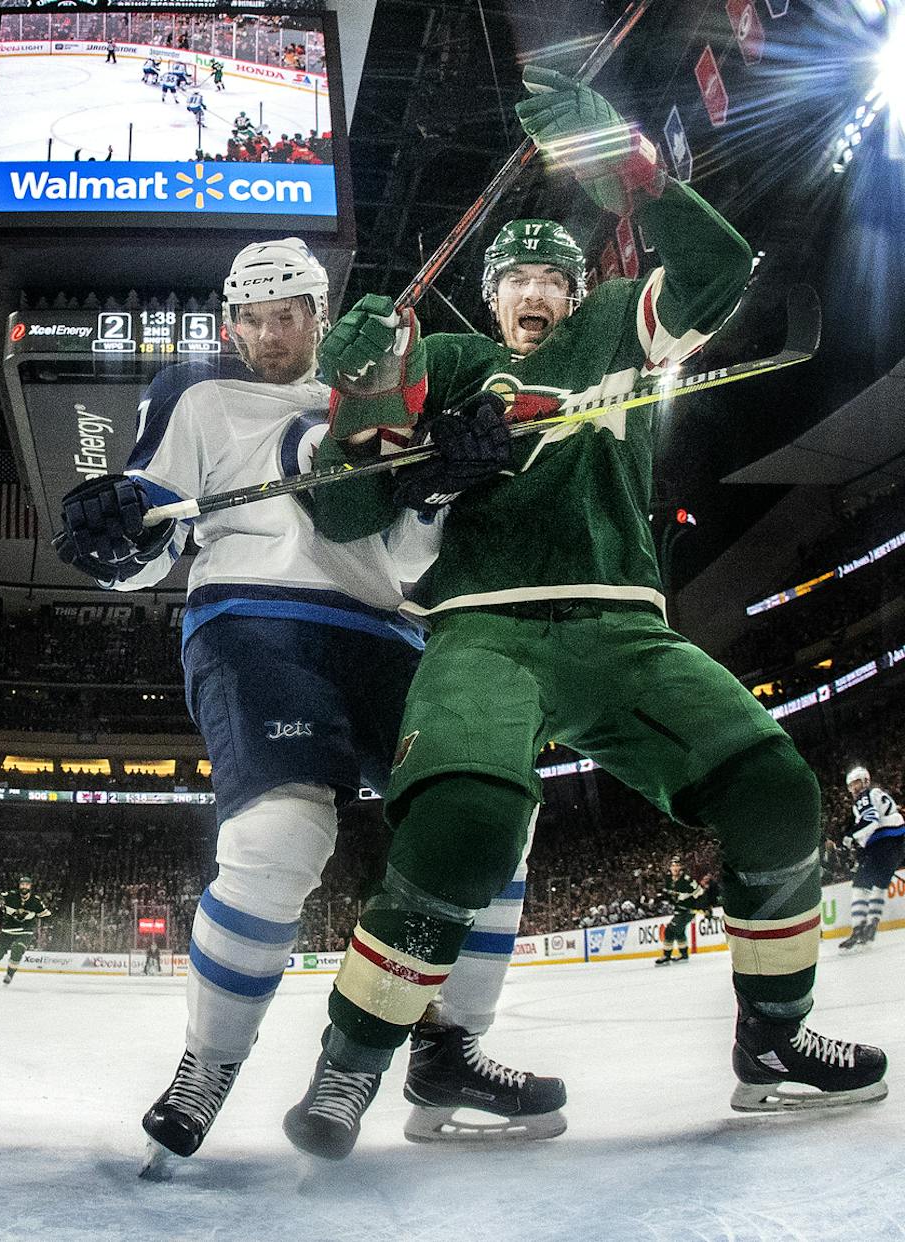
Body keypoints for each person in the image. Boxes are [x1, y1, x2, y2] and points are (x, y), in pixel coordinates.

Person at [286, 67, 886, 1160]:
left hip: (625, 629)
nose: (534, 290)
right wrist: (366, 391)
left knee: (772, 787)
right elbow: (347, 508)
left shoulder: (620, 328)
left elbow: (714, 271)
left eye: (549, 278)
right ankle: (350, 1070)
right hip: (483, 630)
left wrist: (631, 173)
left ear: (574, 291)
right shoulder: (450, 359)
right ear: (488, 291)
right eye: (514, 276)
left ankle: (776, 1037)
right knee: (464, 825)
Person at [53, 239, 557, 1166]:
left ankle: (448, 1048)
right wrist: (117, 532)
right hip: (256, 623)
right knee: (281, 838)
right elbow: (155, 528)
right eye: (251, 318)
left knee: (490, 817)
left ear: (321, 317)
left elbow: (415, 541)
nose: (268, 335)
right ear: (229, 323)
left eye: (288, 316)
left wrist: (447, 474)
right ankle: (207, 1065)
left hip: (393, 631)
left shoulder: (387, 386)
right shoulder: (197, 394)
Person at [843, 765, 904, 951]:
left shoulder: (865, 796)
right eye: (851, 785)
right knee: (879, 885)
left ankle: (858, 928)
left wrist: (850, 836)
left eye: (856, 783)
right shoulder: (879, 793)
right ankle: (872, 924)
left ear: (865, 781)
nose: (854, 788)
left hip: (882, 844)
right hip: (899, 843)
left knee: (860, 886)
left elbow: (871, 819)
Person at [0, 876, 51, 985]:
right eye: (22, 884)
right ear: (19, 886)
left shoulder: (35, 901)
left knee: (17, 949)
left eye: (26, 885)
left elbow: (47, 915)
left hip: (26, 931)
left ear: (30, 886)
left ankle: (9, 975)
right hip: (8, 930)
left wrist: (46, 919)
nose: (24, 887)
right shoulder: (11, 895)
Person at [655, 857, 717, 965]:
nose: (675, 868)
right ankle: (684, 955)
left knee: (669, 931)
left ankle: (666, 955)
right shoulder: (669, 879)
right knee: (679, 931)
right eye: (673, 865)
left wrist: (706, 908)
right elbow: (671, 895)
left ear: (681, 867)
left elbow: (700, 894)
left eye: (677, 865)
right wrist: (662, 895)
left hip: (688, 911)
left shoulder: (687, 880)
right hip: (679, 910)